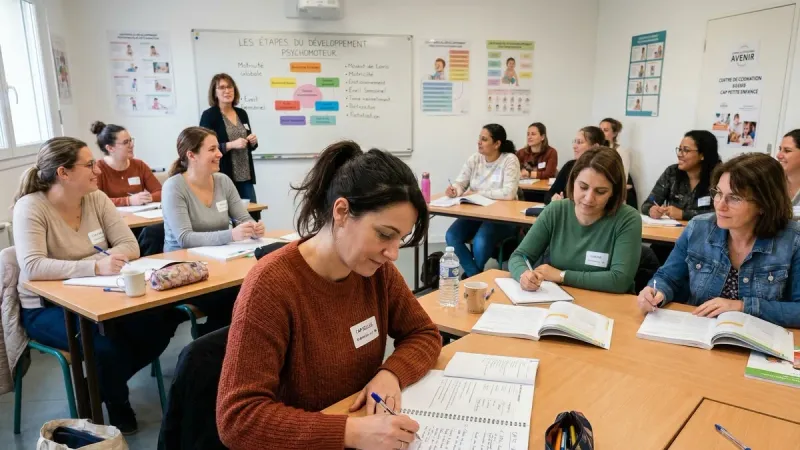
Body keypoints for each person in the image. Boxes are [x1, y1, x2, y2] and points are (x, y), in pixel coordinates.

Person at [216, 140, 442, 450]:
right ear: (341, 211)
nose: (392, 253)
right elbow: (238, 419)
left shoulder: (376, 271)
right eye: (384, 234)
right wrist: (352, 432)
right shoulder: (270, 285)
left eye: (399, 239)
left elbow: (424, 333)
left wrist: (391, 373)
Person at [12, 137, 178, 434]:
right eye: (88, 165)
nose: (96, 170)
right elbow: (33, 266)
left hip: (101, 296)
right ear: (63, 173)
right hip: (49, 307)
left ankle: (95, 389)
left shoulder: (96, 199)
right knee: (106, 346)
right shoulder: (30, 207)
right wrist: (94, 265)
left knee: (159, 322)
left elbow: (130, 245)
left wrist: (104, 262)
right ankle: (117, 404)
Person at [637, 153, 800, 328]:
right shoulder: (698, 228)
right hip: (699, 333)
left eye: (735, 198)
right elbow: (668, 278)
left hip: (759, 342)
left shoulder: (793, 240)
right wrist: (655, 291)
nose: (720, 205)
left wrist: (742, 306)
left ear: (764, 204)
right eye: (719, 194)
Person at [162, 126, 262, 334]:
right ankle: (214, 344)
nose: (219, 154)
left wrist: (253, 227)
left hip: (220, 264)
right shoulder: (174, 187)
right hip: (186, 270)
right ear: (192, 155)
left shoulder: (223, 181)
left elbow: (242, 217)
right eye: (212, 149)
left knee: (254, 288)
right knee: (233, 297)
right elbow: (184, 239)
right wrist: (231, 234)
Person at [509, 147, 642, 294]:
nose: (589, 198)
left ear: (613, 192)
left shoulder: (628, 219)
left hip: (610, 304)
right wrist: (524, 275)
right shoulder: (556, 210)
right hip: (559, 301)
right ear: (572, 182)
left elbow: (620, 280)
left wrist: (562, 276)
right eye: (583, 187)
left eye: (600, 191)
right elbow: (519, 256)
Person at [444, 124, 521, 277]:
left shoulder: (509, 160)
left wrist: (479, 192)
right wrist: (455, 190)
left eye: (484, 139)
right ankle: (474, 275)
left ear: (497, 144)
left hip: (502, 217)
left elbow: (509, 193)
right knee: (451, 236)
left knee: (481, 242)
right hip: (476, 212)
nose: (479, 142)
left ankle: (471, 276)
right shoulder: (475, 159)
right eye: (479, 138)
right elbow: (461, 182)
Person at [199, 73, 259, 207]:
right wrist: (231, 145)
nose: (227, 91)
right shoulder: (209, 116)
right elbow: (204, 148)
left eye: (230, 87)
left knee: (252, 216)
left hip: (245, 175)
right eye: (222, 87)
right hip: (223, 175)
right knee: (226, 216)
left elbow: (248, 142)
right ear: (214, 92)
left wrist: (252, 141)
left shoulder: (242, 113)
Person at [641, 130, 720, 221]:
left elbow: (719, 213)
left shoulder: (719, 177)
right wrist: (652, 210)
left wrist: (684, 214)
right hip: (671, 232)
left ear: (702, 155)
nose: (679, 154)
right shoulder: (672, 172)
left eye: (686, 150)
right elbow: (646, 205)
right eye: (679, 149)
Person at [91, 121, 162, 207]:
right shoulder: (98, 169)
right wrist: (128, 201)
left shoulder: (139, 165)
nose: (131, 145)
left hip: (141, 218)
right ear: (110, 148)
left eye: (130, 140)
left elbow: (160, 192)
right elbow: (95, 201)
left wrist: (148, 198)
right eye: (125, 142)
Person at [545, 126, 606, 204]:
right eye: (575, 142)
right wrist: (553, 199)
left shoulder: (603, 169)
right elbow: (550, 193)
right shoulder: (569, 166)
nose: (574, 146)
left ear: (595, 147)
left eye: (579, 142)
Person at [599, 118, 631, 183]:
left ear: (614, 134)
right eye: (599, 130)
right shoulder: (594, 148)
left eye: (605, 130)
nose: (601, 133)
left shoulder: (621, 151)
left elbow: (623, 178)